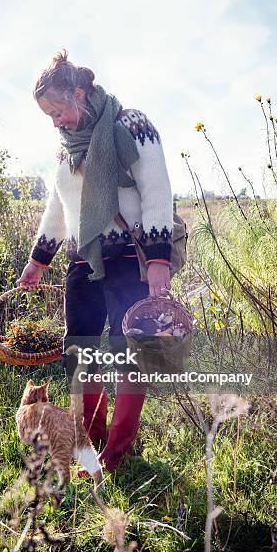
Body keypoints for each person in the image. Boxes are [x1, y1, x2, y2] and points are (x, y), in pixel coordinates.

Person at [17, 50, 173, 474]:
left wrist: (159, 259)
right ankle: (91, 438)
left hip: (127, 258)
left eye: (58, 109)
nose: (55, 121)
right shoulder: (66, 149)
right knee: (80, 350)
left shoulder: (132, 126)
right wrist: (38, 260)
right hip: (82, 261)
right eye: (48, 114)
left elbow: (157, 190)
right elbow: (58, 206)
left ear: (80, 93)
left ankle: (118, 451)